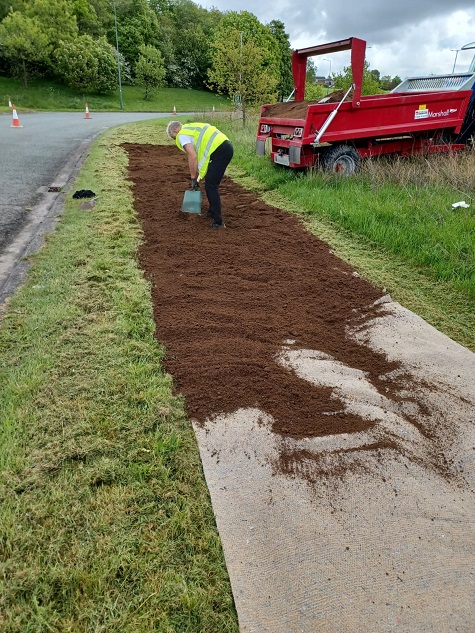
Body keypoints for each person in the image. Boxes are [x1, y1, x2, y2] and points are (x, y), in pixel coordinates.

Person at [166, 120, 233, 229]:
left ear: (174, 130)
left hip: (220, 150)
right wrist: (197, 177)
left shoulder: (181, 135)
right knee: (210, 182)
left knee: (211, 186)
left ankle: (218, 222)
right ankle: (212, 211)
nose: (176, 141)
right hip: (223, 147)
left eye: (174, 138)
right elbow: (193, 156)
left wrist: (193, 178)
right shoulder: (190, 129)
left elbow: (193, 156)